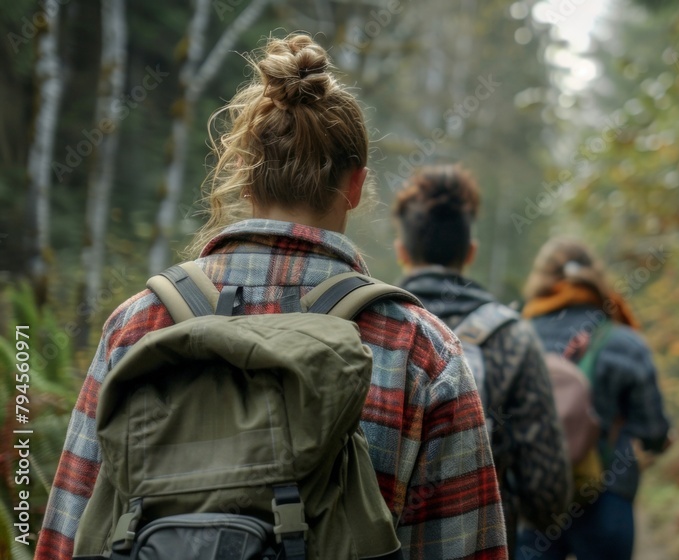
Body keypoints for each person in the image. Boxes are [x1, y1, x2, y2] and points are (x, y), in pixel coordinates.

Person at [37, 34, 507, 560]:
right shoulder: (420, 350)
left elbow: (65, 536)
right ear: (356, 186)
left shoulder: (138, 325)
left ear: (243, 175)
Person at [391, 164, 572, 553]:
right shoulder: (512, 337)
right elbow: (548, 490)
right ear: (470, 252)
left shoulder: (366, 328)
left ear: (402, 251)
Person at [515, 237, 671, 560]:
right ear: (596, 278)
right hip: (608, 496)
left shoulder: (515, 337)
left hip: (534, 499)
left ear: (541, 279)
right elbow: (653, 430)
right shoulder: (625, 341)